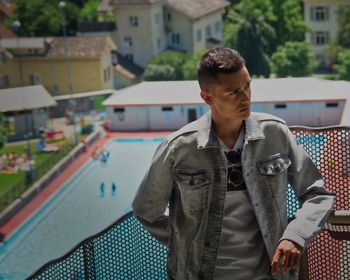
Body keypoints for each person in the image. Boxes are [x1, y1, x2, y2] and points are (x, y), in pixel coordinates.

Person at [132, 48, 335, 280]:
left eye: (248, 86)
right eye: (233, 92)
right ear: (207, 97)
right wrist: (187, 242)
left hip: (271, 274)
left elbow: (318, 194)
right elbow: (146, 209)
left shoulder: (275, 133)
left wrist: (295, 236)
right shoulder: (178, 148)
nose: (246, 97)